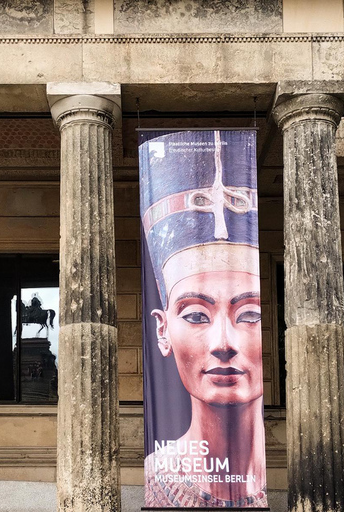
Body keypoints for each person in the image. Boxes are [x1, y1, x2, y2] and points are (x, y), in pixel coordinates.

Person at [140, 130, 267, 508]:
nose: (223, 343)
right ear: (163, 331)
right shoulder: (155, 475)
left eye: (250, 315)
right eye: (196, 314)